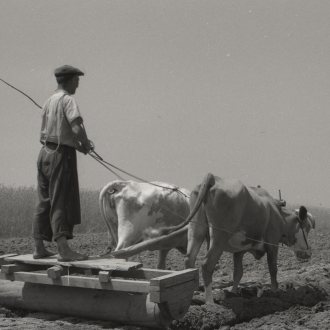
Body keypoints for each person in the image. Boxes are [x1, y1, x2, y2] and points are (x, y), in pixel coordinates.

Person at [32, 65, 93, 261]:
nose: (78, 84)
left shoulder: (48, 101)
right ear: (69, 80)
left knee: (44, 200)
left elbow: (54, 133)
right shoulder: (68, 100)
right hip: (60, 155)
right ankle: (64, 249)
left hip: (44, 154)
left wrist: (78, 145)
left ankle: (39, 247)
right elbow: (75, 128)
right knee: (61, 199)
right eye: (77, 80)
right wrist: (86, 143)